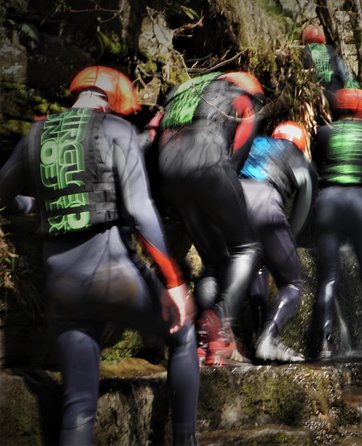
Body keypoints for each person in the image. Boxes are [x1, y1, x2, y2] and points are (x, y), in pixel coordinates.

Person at [0, 66, 199, 445]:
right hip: (114, 273)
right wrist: (173, 281)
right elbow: (141, 211)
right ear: (115, 101)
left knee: (79, 405)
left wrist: (34, 206)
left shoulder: (36, 134)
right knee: (182, 334)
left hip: (61, 284)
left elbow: (2, 196)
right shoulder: (118, 131)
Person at [154, 71, 264, 366]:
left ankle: (204, 343)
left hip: (168, 173)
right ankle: (221, 325)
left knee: (214, 261)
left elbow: (152, 134)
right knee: (248, 248)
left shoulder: (180, 95)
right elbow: (237, 154)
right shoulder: (243, 97)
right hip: (209, 163)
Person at [311, 88, 362, 359]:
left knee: (328, 277)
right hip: (357, 201)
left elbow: (317, 163)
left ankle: (324, 343)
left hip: (327, 200)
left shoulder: (324, 133)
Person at [239, 121, 318, 363]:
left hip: (232, 204)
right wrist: (288, 239)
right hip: (266, 207)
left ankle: (255, 339)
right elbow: (303, 210)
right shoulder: (301, 161)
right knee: (293, 283)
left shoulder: (255, 144)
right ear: (302, 144)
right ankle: (268, 339)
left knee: (256, 268)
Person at [301, 24, 359, 108]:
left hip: (315, 96)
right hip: (336, 93)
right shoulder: (331, 50)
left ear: (305, 38)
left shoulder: (303, 51)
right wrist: (353, 88)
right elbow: (343, 73)